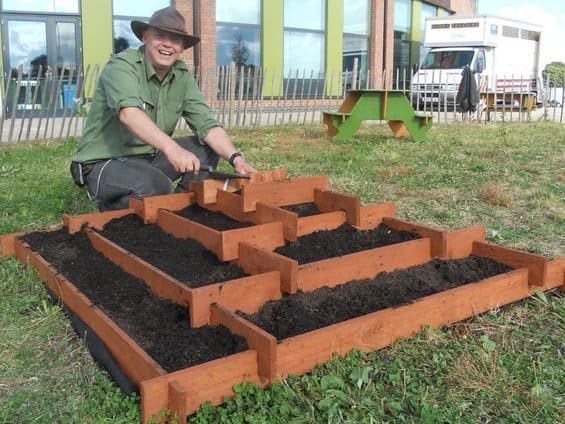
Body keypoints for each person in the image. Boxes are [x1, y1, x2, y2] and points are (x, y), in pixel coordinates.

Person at [71, 7, 256, 211]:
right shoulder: (122, 66)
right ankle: (112, 206)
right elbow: (128, 114)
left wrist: (236, 158)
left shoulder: (182, 76)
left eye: (176, 39)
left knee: (208, 148)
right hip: (104, 162)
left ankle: (180, 210)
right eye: (160, 36)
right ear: (145, 37)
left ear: (182, 48)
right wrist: (172, 148)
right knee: (156, 185)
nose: (168, 44)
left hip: (147, 159)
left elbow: (207, 124)